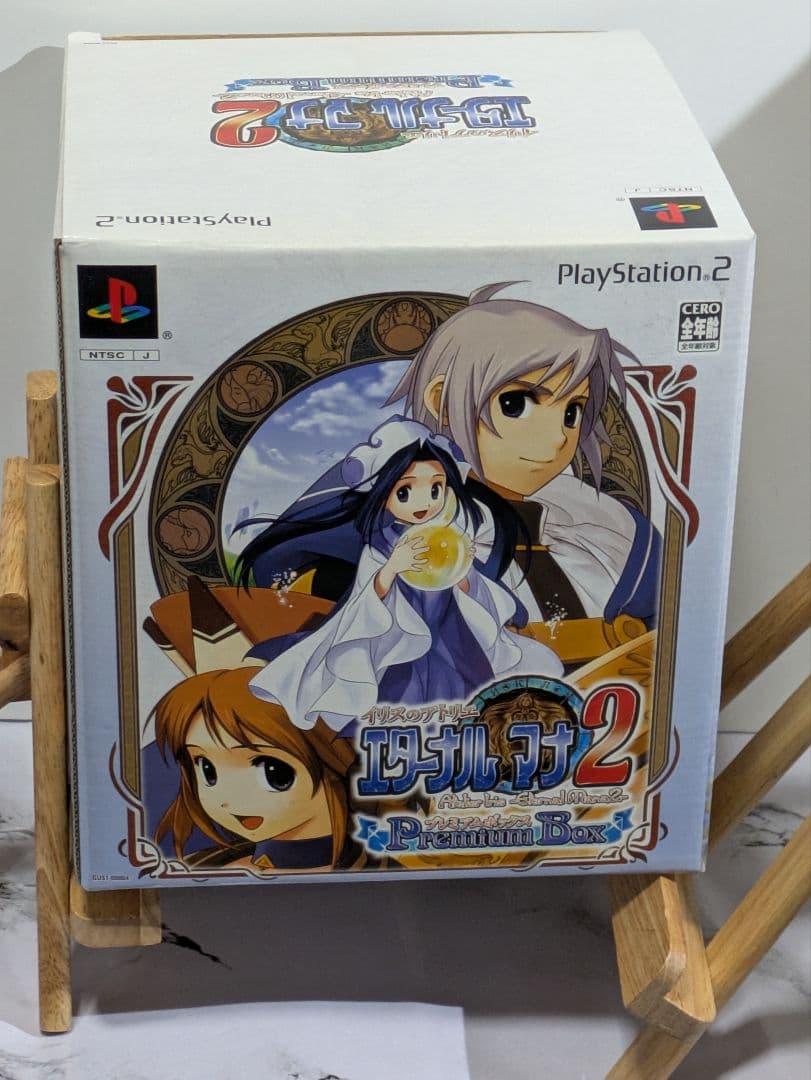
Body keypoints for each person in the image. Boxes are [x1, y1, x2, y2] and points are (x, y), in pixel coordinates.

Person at [240, 416, 562, 731]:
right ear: (383, 495)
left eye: (435, 489)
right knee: (402, 697)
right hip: (399, 636)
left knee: (465, 692)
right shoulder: (380, 545)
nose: (424, 502)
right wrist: (393, 567)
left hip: (449, 632)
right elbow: (367, 595)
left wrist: (464, 570)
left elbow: (468, 588)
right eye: (405, 492)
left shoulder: (447, 537)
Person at [387, 282, 661, 632]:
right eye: (515, 404)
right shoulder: (414, 536)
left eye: (572, 412)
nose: (558, 437)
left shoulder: (601, 527)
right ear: (442, 402)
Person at [152, 667, 358, 873]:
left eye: (273, 772)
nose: (226, 800)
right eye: (208, 771)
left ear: (334, 759)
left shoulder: (370, 868)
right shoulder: (200, 868)